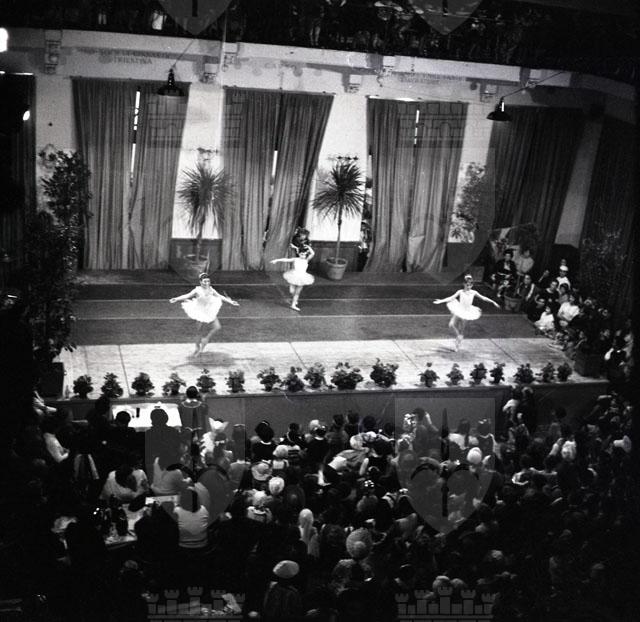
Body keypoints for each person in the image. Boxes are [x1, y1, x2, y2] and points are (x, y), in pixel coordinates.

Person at [169, 272, 239, 356]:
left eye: (208, 281)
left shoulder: (211, 289)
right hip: (200, 311)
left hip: (209, 310)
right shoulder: (197, 290)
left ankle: (206, 338)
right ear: (200, 282)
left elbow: (220, 296)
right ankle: (197, 347)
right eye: (205, 281)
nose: (207, 283)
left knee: (217, 327)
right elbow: (187, 295)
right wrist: (176, 299)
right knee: (199, 331)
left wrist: (231, 302)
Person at [434, 275, 500, 350]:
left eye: (470, 285)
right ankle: (458, 336)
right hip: (459, 309)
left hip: (467, 312)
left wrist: (493, 302)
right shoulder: (460, 292)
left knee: (462, 329)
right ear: (464, 284)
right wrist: (441, 301)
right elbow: (451, 297)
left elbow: (483, 298)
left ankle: (457, 345)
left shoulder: (474, 292)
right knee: (451, 325)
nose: (469, 287)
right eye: (467, 285)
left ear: (472, 285)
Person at [271, 243, 315, 311]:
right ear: (299, 254)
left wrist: (309, 247)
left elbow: (312, 253)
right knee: (292, 291)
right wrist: (276, 260)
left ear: (306, 254)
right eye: (301, 254)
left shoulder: (306, 260)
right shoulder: (295, 259)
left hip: (303, 277)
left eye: (304, 254)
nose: (303, 256)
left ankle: (293, 305)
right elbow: (286, 259)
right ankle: (295, 299)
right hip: (294, 276)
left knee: (297, 293)